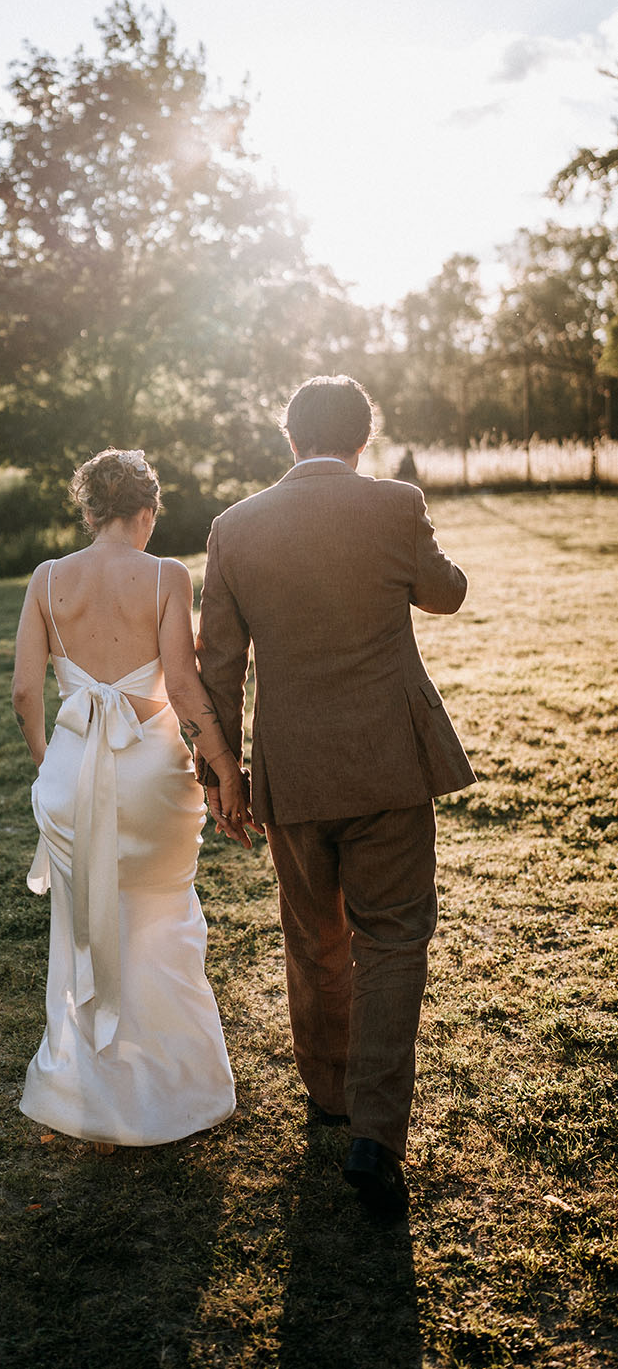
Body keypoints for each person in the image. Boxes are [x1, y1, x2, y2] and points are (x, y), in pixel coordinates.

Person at [196, 376, 475, 1219]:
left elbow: (217, 664)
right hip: (389, 763)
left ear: (287, 439)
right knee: (393, 939)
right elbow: (447, 592)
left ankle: (328, 1096)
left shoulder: (233, 527)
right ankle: (376, 1136)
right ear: (365, 436)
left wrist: (225, 778)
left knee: (314, 934)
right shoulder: (395, 505)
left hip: (292, 772)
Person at [12, 448, 246, 1149]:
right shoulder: (166, 575)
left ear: (88, 512)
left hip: (69, 773)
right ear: (146, 512)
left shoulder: (47, 579)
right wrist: (223, 766)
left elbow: (25, 692)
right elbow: (180, 686)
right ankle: (177, 1092)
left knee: (85, 925)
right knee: (160, 920)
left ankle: (87, 1092)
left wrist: (49, 766)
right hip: (149, 774)